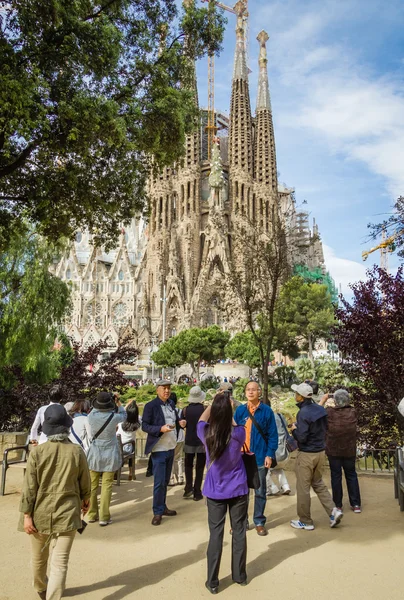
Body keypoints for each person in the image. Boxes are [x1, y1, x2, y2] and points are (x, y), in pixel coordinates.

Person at [19, 404, 91, 600]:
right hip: (68, 512)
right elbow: (85, 483)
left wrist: (26, 516)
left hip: (38, 512)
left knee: (38, 558)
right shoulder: (77, 452)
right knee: (60, 562)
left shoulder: (36, 453)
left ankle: (41, 589)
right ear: (67, 426)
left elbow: (29, 488)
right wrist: (86, 499)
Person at [197, 393, 248, 594]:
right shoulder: (239, 433)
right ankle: (239, 576)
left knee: (216, 535)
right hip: (238, 488)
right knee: (239, 532)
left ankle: (213, 581)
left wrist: (213, 405)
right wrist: (229, 409)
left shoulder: (206, 432)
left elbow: (201, 419)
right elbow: (235, 425)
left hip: (215, 490)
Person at [290, 382, 343, 530]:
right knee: (318, 483)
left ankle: (305, 521)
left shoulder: (303, 413)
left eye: (296, 394)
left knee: (303, 488)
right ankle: (333, 511)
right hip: (320, 452)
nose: (295, 395)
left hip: (306, 454)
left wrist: (294, 429)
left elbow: (301, 437)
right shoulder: (320, 409)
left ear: (300, 397)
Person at [234, 381, 278, 536]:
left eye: (254, 389)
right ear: (245, 392)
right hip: (241, 457)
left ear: (259, 392)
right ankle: (241, 521)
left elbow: (273, 435)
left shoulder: (266, 411)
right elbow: (232, 433)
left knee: (260, 491)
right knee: (241, 493)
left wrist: (269, 454)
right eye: (248, 389)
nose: (251, 392)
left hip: (259, 457)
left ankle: (259, 521)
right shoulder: (240, 411)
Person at [142, 379, 186, 525]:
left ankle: (163, 506)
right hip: (159, 448)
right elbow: (145, 426)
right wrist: (160, 429)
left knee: (166, 481)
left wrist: (181, 422)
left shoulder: (171, 404)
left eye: (168, 388)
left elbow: (176, 419)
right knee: (159, 482)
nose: (167, 391)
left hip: (171, 447)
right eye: (164, 388)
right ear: (157, 390)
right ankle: (157, 512)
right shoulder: (150, 406)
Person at [86, 391, 126, 526]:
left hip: (95, 454)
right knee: (107, 486)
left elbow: (93, 409)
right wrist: (118, 401)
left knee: (92, 486)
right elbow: (124, 415)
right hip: (110, 454)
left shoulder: (91, 417)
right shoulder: (114, 417)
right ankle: (104, 516)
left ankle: (91, 514)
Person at [319, 389, 361, 513]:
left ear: (336, 400)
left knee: (336, 476)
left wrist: (324, 400)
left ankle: (338, 505)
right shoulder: (353, 412)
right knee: (351, 475)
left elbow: (315, 412)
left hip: (333, 450)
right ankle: (356, 504)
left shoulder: (329, 412)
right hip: (349, 449)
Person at [181, 386, 206, 501]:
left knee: (188, 465)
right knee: (200, 467)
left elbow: (182, 425)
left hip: (189, 440)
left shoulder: (185, 410)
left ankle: (188, 488)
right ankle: (197, 491)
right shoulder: (205, 409)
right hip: (201, 441)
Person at [266, 413, 291, 495]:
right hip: (282, 449)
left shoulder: (264, 416)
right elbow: (286, 425)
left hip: (271, 450)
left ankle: (272, 488)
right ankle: (285, 486)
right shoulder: (279, 415)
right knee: (278, 468)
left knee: (264, 470)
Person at [116, 400, 141, 481]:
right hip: (129, 448)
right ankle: (131, 472)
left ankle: (116, 472)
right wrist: (134, 406)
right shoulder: (138, 421)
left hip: (117, 448)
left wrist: (127, 405)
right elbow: (136, 415)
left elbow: (122, 410)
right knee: (131, 450)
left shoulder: (121, 420)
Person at [169, 392, 185, 486]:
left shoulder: (168, 411)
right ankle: (180, 477)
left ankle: (171, 479)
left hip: (171, 437)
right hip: (180, 437)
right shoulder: (180, 411)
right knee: (179, 458)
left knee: (170, 459)